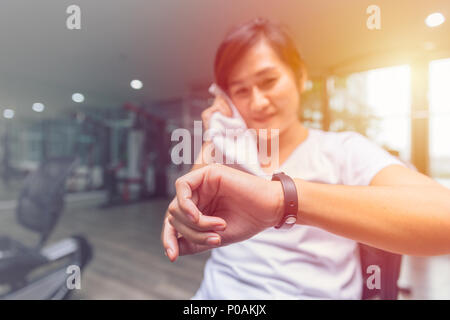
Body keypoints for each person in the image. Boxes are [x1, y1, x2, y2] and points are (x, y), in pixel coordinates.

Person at [161, 18, 450, 299]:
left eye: (269, 81)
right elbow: (191, 212)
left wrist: (284, 201)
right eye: (241, 91)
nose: (258, 102)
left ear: (300, 78)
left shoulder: (343, 150)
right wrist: (217, 129)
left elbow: (443, 216)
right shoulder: (229, 152)